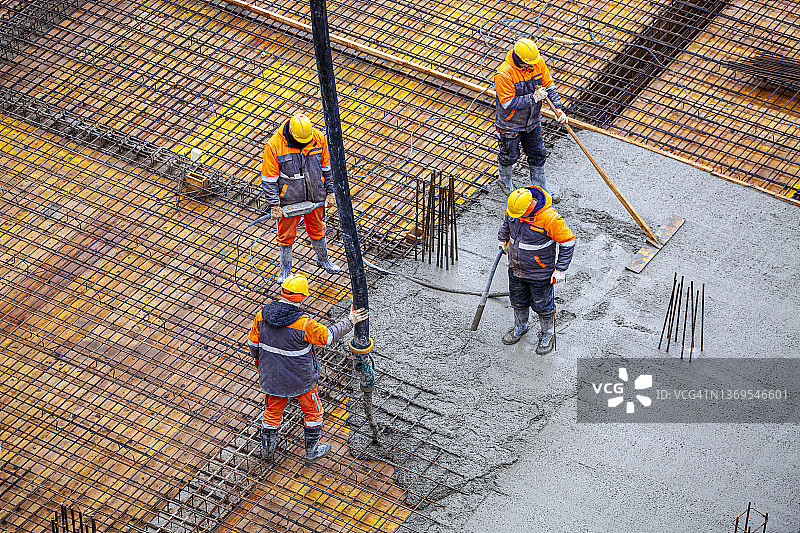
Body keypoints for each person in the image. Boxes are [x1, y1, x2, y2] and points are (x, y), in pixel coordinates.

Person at [248, 273, 369, 463]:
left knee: (272, 413)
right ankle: (312, 452)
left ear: (283, 291)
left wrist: (261, 365)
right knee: (313, 412)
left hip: (272, 377)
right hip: (301, 380)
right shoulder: (304, 323)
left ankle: (267, 452)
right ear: (303, 296)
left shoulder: (262, 314)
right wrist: (351, 320)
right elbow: (328, 336)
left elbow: (253, 345)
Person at [261, 114, 340, 283]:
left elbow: (327, 167)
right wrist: (274, 204)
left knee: (318, 228)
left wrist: (331, 192)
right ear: (293, 134)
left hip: (315, 195)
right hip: (289, 199)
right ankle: (285, 270)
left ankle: (323, 260)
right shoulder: (275, 145)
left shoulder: (318, 138)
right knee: (286, 234)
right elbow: (269, 179)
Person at [498, 186, 575, 354]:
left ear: (530, 205)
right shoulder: (515, 208)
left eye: (521, 215)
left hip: (539, 273)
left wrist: (560, 269)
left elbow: (568, 242)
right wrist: (502, 238)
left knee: (543, 305)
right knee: (517, 300)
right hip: (516, 268)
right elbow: (507, 223)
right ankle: (520, 327)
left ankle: (548, 333)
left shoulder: (550, 218)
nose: (518, 218)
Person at [494, 38, 568, 199]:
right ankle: (504, 181)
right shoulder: (504, 74)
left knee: (538, 153)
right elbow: (507, 103)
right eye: (529, 64)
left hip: (532, 121)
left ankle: (540, 189)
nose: (532, 66)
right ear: (520, 60)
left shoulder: (537, 62)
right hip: (510, 125)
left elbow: (549, 86)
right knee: (510, 155)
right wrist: (533, 98)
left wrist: (558, 109)